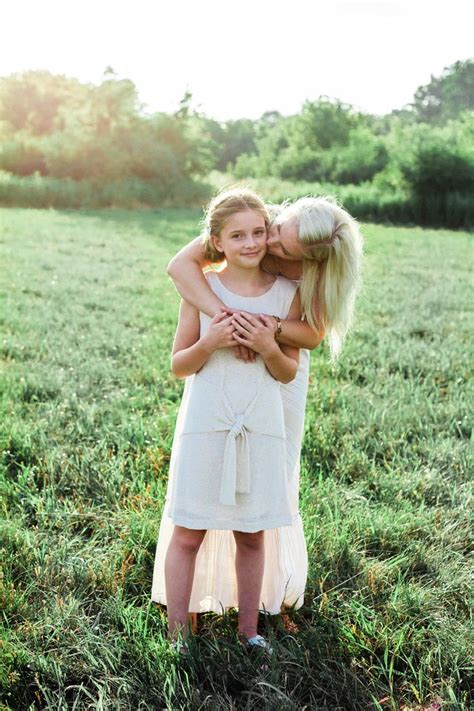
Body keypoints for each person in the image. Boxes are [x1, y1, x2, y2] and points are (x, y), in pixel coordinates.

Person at [151, 190, 363, 651]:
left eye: (280, 247)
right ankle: (180, 625)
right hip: (211, 405)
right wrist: (222, 328)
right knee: (192, 519)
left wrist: (267, 337)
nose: (264, 245)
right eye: (269, 234)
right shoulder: (222, 258)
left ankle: (255, 619)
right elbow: (180, 351)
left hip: (267, 399)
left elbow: (301, 346)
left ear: (309, 259)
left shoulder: (302, 283)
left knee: (257, 516)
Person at [154, 187, 303, 654]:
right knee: (188, 530)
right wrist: (211, 340)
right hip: (206, 424)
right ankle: (179, 632)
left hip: (260, 427)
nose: (251, 243)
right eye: (237, 235)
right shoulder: (201, 288)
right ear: (216, 241)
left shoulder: (286, 295)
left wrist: (266, 346)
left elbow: (286, 371)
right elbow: (180, 364)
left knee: (252, 533)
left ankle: (249, 630)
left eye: (259, 232)